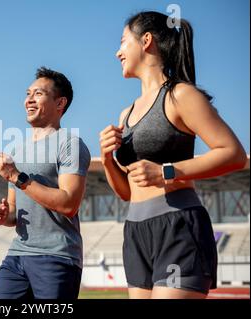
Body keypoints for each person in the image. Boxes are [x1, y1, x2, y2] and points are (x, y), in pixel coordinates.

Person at [99, 11, 247, 299]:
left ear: (146, 40)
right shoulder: (125, 113)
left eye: (122, 42)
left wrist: (166, 171)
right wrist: (106, 159)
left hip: (178, 224)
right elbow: (126, 193)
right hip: (136, 231)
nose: (117, 52)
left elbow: (234, 153)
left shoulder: (180, 95)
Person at [0, 67, 91, 299]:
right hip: (17, 254)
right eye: (27, 93)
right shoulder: (15, 149)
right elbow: (14, 211)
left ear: (60, 103)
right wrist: (3, 215)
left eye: (38, 93)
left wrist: (17, 177)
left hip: (57, 256)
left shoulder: (70, 144)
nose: (29, 100)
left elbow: (68, 204)